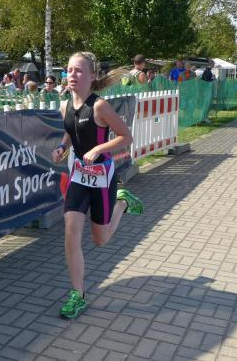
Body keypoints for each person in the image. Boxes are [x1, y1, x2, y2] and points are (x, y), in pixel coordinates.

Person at [50, 52, 144, 319]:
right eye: (69, 70)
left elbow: (126, 137)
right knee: (70, 231)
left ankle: (122, 202)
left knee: (100, 240)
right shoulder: (65, 106)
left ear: (92, 76)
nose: (72, 75)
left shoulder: (100, 106)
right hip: (79, 176)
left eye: (79, 70)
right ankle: (77, 295)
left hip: (102, 177)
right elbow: (70, 130)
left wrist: (99, 148)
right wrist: (61, 148)